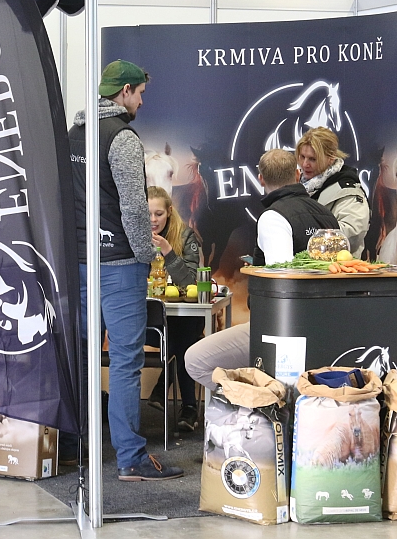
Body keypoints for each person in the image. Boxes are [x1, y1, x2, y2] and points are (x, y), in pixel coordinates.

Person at [65, 59, 182, 481]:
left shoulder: (74, 133)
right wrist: (146, 254)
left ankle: (72, 447)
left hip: (79, 261)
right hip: (118, 264)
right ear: (126, 91)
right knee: (126, 360)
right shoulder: (122, 138)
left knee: (81, 355)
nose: (142, 102)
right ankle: (131, 458)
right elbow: (134, 207)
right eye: (141, 94)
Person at [184, 149, 339, 390]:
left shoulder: (273, 217)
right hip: (327, 327)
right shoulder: (326, 215)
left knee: (195, 361)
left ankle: (257, 403)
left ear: (260, 179)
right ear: (297, 175)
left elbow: (282, 283)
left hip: (282, 330)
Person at [146, 186, 205, 431]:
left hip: (181, 319)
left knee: (184, 334)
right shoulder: (135, 235)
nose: (153, 220)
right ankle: (188, 408)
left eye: (158, 214)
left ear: (169, 211)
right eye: (148, 214)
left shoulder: (185, 235)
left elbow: (190, 281)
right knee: (182, 339)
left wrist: (168, 252)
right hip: (149, 321)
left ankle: (163, 390)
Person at [295, 127, 370, 258]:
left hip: (337, 268)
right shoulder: (296, 185)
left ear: (331, 158)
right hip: (302, 266)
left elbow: (353, 232)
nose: (305, 164)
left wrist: (307, 234)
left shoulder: (348, 191)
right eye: (302, 157)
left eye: (313, 159)